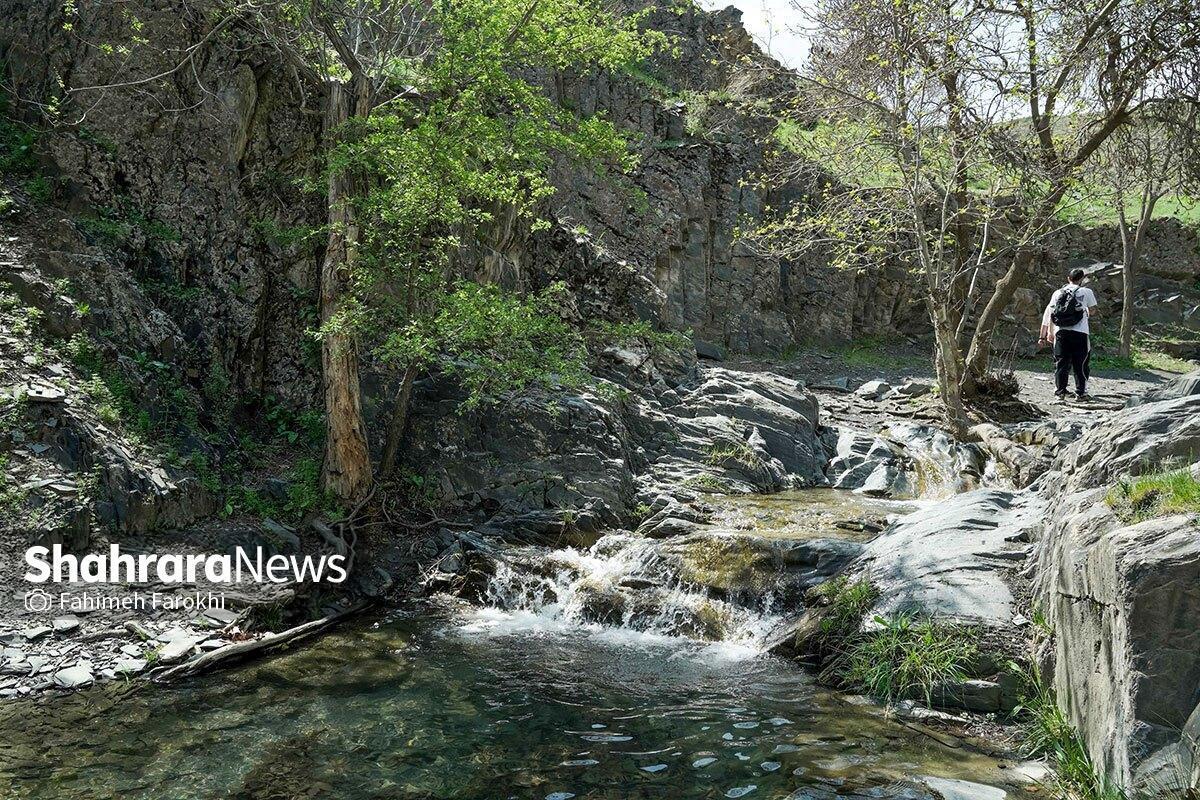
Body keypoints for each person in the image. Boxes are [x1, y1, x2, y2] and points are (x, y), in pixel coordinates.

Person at [1039, 267, 1098, 400]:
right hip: (1080, 332)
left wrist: (1050, 332)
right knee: (1080, 363)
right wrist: (1085, 311)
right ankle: (1081, 393)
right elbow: (1093, 310)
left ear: (1068, 278)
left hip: (1061, 332)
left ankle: (1060, 392)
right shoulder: (1086, 291)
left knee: (1061, 363)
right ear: (1082, 279)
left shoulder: (1057, 293)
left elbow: (1052, 314)